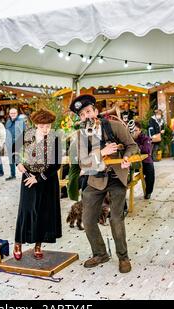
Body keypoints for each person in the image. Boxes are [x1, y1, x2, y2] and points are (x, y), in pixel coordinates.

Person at [70, 94, 138, 273]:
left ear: (95, 111)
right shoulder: (81, 135)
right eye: (82, 115)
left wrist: (126, 157)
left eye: (88, 111)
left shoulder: (115, 126)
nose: (87, 116)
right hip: (95, 179)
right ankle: (100, 253)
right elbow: (83, 163)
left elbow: (132, 146)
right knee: (88, 219)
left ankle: (123, 257)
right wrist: (102, 152)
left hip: (116, 178)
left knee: (116, 219)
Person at [13, 108, 62, 260]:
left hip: (47, 180)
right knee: (26, 210)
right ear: (36, 125)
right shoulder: (26, 135)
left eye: (48, 126)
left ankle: (38, 245)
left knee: (43, 212)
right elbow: (14, 151)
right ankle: (18, 243)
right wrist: (18, 163)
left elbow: (56, 164)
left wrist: (39, 178)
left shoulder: (55, 138)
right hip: (28, 178)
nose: (46, 129)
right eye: (42, 126)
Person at [133, 121, 155, 200]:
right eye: (132, 130)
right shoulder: (128, 137)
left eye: (136, 130)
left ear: (140, 130)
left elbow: (147, 149)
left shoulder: (145, 137)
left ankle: (148, 192)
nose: (134, 132)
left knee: (150, 170)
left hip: (144, 161)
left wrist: (136, 147)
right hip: (131, 162)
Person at [5, 108, 25, 181]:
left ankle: (26, 175)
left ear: (17, 113)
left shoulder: (20, 121)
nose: (12, 114)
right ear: (9, 114)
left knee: (21, 160)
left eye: (14, 113)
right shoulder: (8, 122)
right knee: (11, 160)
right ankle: (12, 175)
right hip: (9, 143)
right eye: (11, 113)